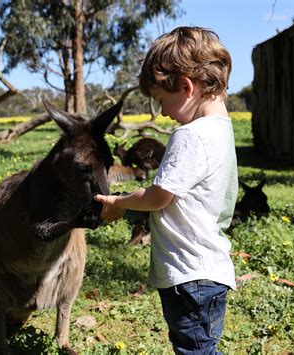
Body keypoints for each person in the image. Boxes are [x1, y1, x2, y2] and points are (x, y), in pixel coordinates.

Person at [94, 26, 238, 355]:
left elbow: (160, 196)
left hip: (189, 276)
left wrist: (119, 201)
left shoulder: (191, 136)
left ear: (186, 88)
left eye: (161, 100)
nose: (162, 113)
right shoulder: (222, 132)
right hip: (208, 272)